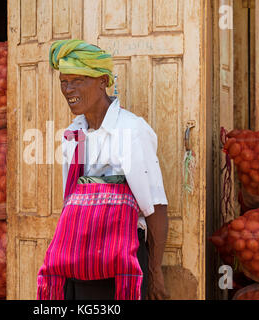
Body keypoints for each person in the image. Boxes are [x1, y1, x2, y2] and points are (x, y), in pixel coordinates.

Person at [37, 39, 170, 300]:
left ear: (103, 81)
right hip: (78, 262)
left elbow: (155, 206)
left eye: (78, 80)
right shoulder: (73, 135)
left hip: (121, 266)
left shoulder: (131, 131)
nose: (68, 89)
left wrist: (155, 272)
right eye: (64, 81)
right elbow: (70, 203)